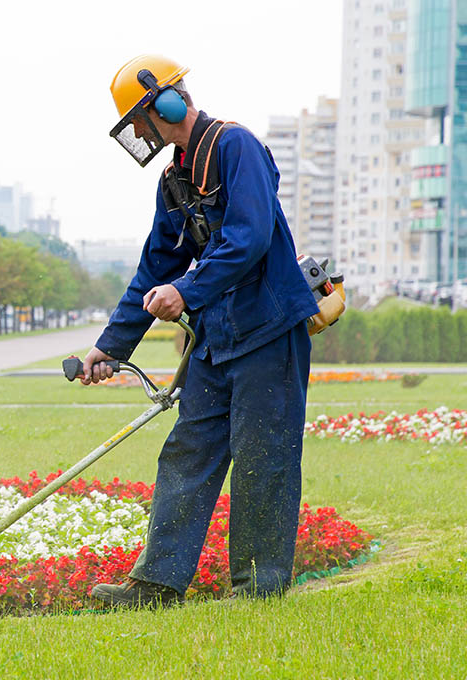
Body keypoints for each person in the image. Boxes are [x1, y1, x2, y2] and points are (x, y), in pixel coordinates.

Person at [81, 55, 320, 607]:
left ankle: (259, 592)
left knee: (263, 460)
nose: (139, 133)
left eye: (139, 119)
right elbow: (155, 267)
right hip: (216, 342)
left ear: (165, 102)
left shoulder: (236, 147)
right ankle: (156, 585)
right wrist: (109, 347)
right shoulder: (175, 178)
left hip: (267, 333)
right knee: (186, 453)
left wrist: (186, 293)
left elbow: (249, 237)